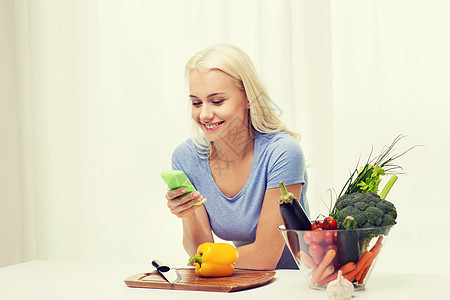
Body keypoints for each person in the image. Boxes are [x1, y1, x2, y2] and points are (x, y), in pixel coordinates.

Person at [165, 43, 309, 270]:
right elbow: (200, 253)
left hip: (295, 283)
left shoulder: (282, 153)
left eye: (217, 101)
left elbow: (265, 257)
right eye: (196, 102)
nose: (204, 114)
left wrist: (204, 260)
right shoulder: (187, 158)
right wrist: (188, 213)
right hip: (238, 282)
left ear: (248, 98)